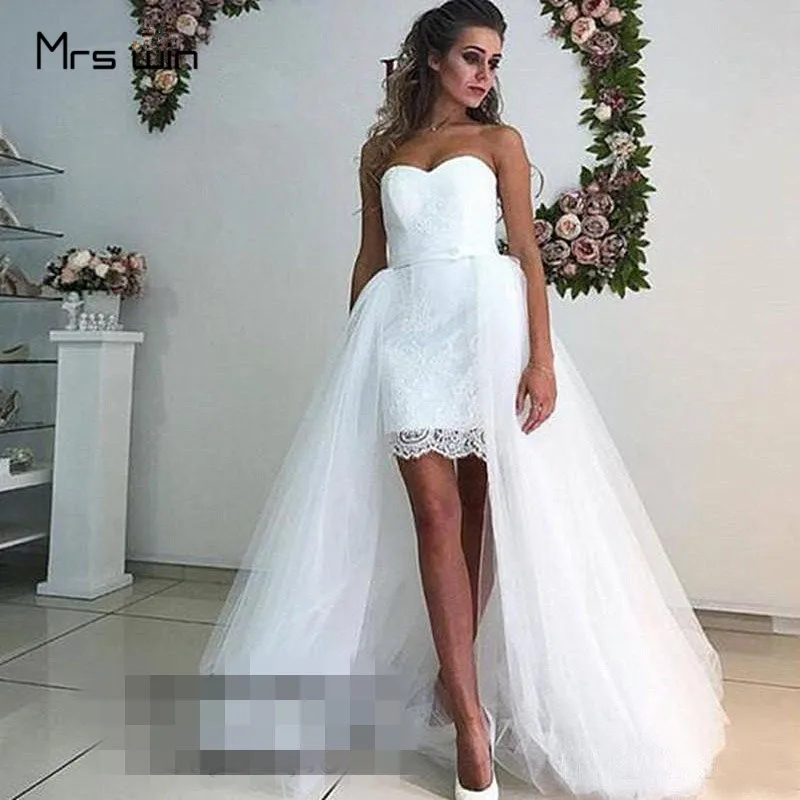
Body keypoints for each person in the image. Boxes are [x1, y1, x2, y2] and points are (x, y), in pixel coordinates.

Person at [198, 2, 729, 798]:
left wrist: (540, 359)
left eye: (495, 62)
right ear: (434, 59)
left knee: (483, 507)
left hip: (487, 327)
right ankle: (471, 717)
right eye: (474, 57)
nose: (485, 75)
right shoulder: (382, 152)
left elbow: (528, 255)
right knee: (434, 512)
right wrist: (356, 358)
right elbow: (371, 257)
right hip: (404, 331)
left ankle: (458, 680)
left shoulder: (500, 143)